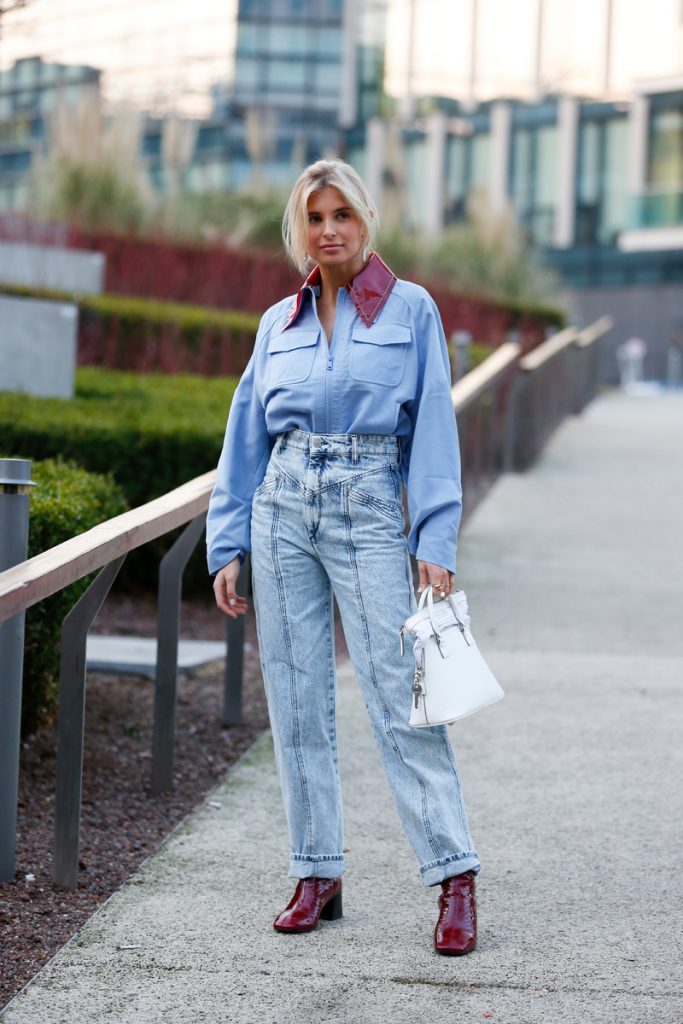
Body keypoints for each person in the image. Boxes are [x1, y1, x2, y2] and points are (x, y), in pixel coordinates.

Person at [207, 159, 479, 956]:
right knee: (294, 696)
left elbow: (433, 425)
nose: (329, 230)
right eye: (315, 217)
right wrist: (227, 542)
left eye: (342, 215)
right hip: (282, 506)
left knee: (398, 695)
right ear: (299, 230)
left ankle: (453, 875)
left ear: (365, 221)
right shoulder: (276, 323)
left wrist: (433, 540)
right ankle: (315, 872)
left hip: (367, 503)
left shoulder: (411, 309)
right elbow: (245, 437)